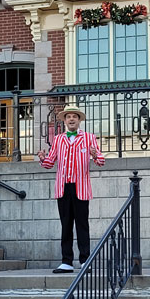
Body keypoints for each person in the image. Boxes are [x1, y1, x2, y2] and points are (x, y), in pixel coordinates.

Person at [38, 106, 105, 273]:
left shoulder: (89, 138)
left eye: (75, 117)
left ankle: (85, 260)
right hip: (63, 187)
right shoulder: (58, 139)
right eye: (68, 117)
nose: (72, 119)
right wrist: (42, 158)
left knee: (82, 224)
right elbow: (49, 163)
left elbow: (101, 161)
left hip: (81, 187)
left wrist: (94, 154)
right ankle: (66, 261)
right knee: (65, 224)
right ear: (65, 120)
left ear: (79, 120)